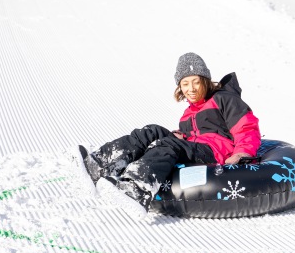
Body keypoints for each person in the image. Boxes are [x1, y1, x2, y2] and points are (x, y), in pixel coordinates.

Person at [77, 52, 261, 217]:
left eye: (196, 82)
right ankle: (100, 164)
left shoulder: (224, 99)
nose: (191, 88)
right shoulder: (189, 113)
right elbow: (196, 135)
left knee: (168, 145)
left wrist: (242, 153)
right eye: (185, 83)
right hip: (197, 147)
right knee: (153, 130)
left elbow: (246, 127)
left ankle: (137, 189)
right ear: (179, 86)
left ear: (205, 81)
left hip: (216, 152)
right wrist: (183, 136)